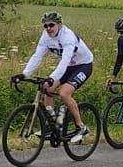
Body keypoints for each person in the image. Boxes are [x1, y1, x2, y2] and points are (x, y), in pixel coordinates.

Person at [17, 12, 95, 140]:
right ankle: (52, 123)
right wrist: (24, 73)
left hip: (83, 65)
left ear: (59, 24)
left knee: (65, 93)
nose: (48, 28)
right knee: (47, 89)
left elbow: (65, 60)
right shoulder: (46, 36)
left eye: (51, 25)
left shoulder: (67, 36)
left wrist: (52, 78)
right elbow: (37, 56)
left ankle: (81, 127)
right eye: (45, 26)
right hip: (68, 66)